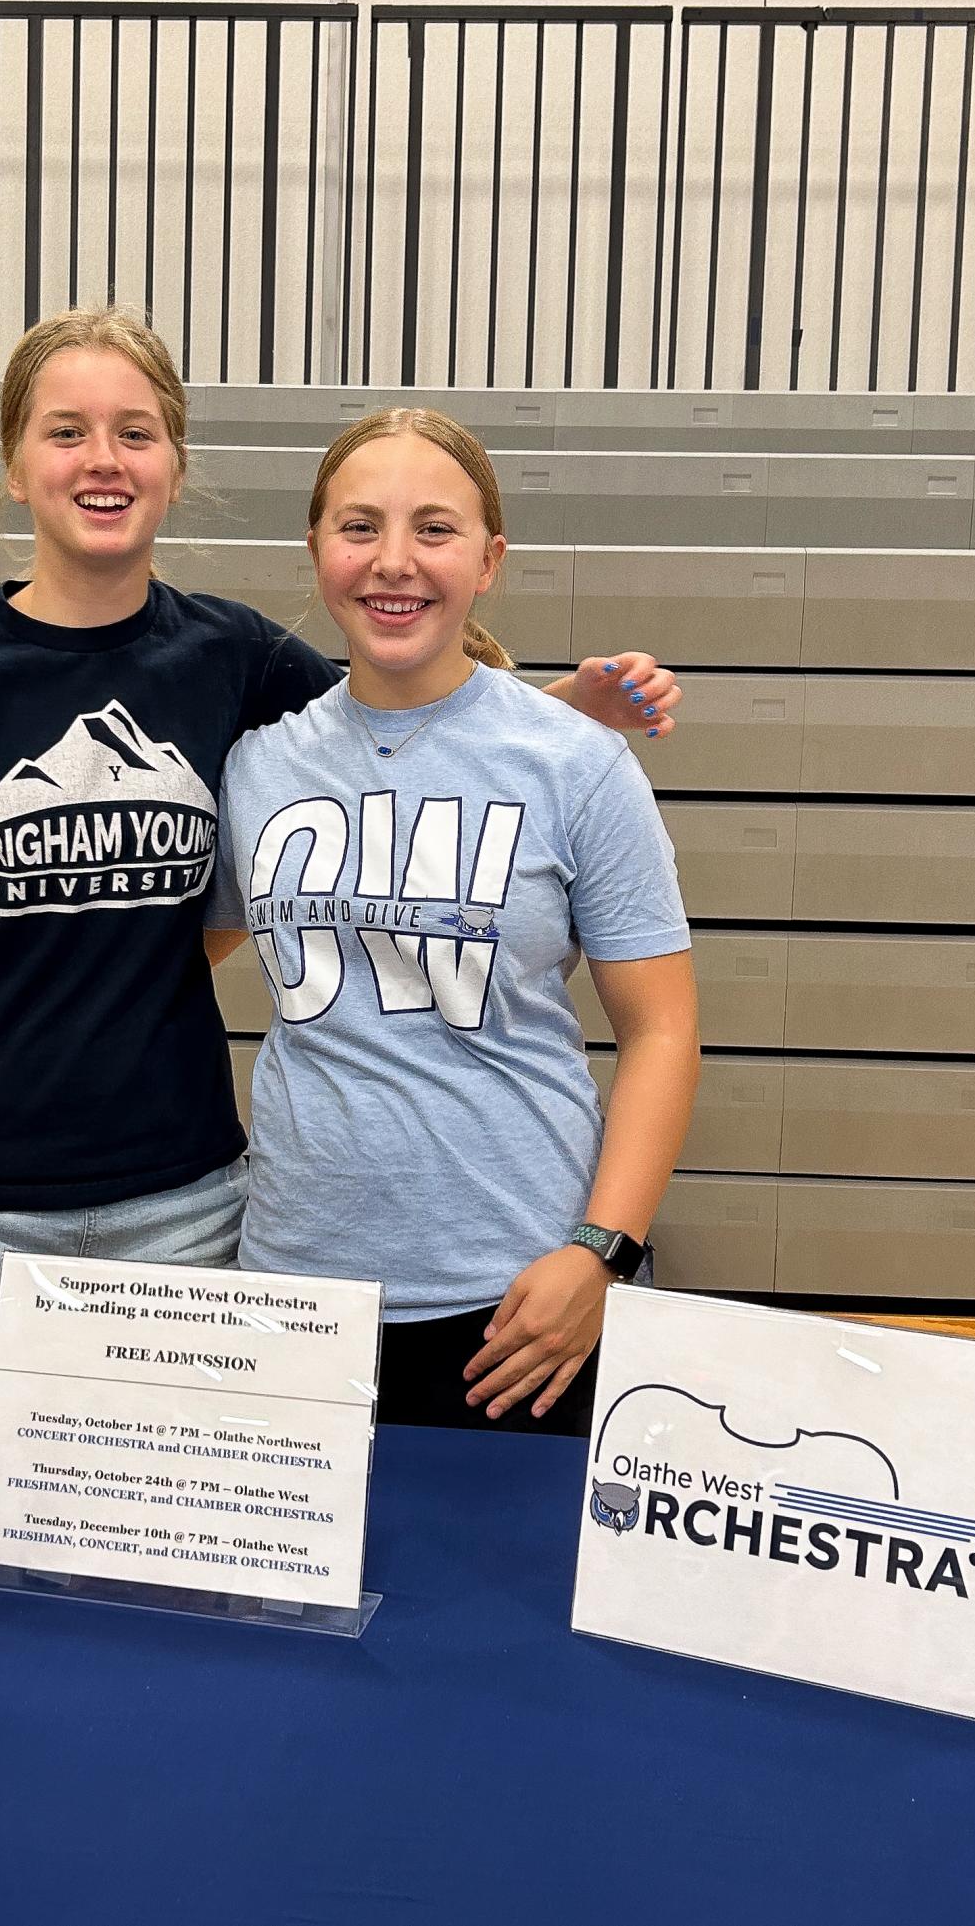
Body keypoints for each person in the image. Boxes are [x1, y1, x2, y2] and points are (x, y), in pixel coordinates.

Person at [0, 307, 682, 1398]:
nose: (103, 460)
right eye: (65, 431)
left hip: (195, 1206)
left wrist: (564, 714)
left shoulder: (232, 657)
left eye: (135, 431)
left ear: (175, 461)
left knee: (196, 1534)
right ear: (15, 463)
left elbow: (414, 739)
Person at [208, 408, 702, 1431]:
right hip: (297, 1295)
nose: (395, 562)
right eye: (359, 528)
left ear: (490, 560)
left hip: (521, 1301)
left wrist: (600, 1251)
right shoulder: (257, 768)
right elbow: (173, 963)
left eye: (434, 529)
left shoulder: (576, 762)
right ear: (315, 551)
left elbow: (662, 1031)